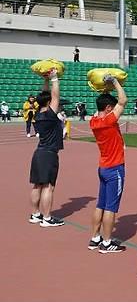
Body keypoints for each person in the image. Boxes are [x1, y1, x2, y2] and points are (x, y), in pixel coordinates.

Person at [88, 75, 128, 253]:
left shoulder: (94, 121)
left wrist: (104, 89)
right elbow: (123, 100)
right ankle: (106, 242)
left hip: (103, 167)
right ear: (109, 108)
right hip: (115, 168)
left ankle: (95, 237)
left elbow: (103, 105)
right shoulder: (109, 120)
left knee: (101, 204)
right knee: (111, 207)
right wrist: (115, 82)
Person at [28, 69, 65, 227]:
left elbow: (43, 97)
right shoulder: (50, 114)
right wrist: (54, 78)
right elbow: (55, 96)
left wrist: (45, 80)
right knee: (48, 186)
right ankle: (47, 218)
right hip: (49, 154)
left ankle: (36, 214)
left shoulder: (38, 113)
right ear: (49, 102)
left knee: (37, 185)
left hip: (38, 153)